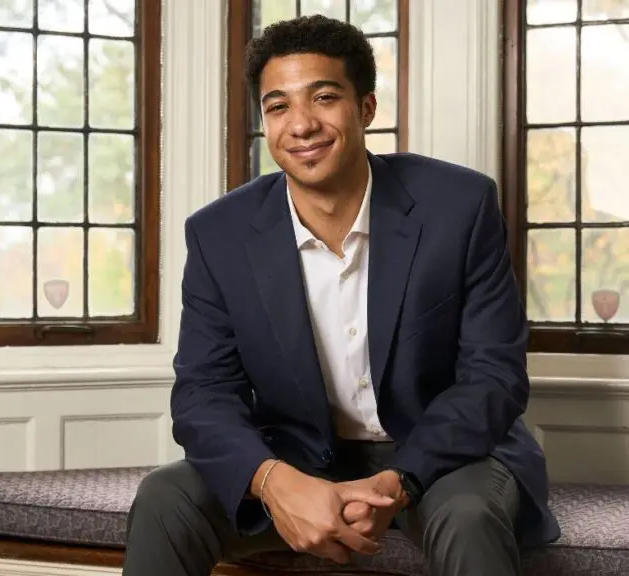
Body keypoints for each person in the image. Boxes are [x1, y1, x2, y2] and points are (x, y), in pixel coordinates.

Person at [122, 14, 560, 576]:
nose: (301, 125)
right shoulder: (219, 234)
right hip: (297, 456)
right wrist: (274, 482)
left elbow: (494, 377)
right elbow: (204, 394)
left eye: (323, 98)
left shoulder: (460, 206)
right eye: (278, 106)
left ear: (366, 108)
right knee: (166, 499)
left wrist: (400, 481)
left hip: (444, 456)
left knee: (469, 517)